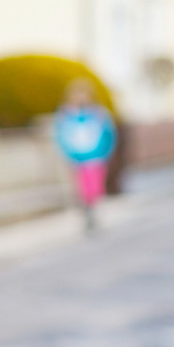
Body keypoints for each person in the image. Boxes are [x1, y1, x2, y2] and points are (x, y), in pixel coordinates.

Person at [54, 79, 116, 233]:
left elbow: (108, 134)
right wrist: (68, 154)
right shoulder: (65, 115)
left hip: (96, 157)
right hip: (77, 158)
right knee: (82, 188)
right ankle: (87, 213)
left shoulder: (98, 113)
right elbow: (61, 136)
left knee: (95, 186)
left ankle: (94, 213)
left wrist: (105, 152)